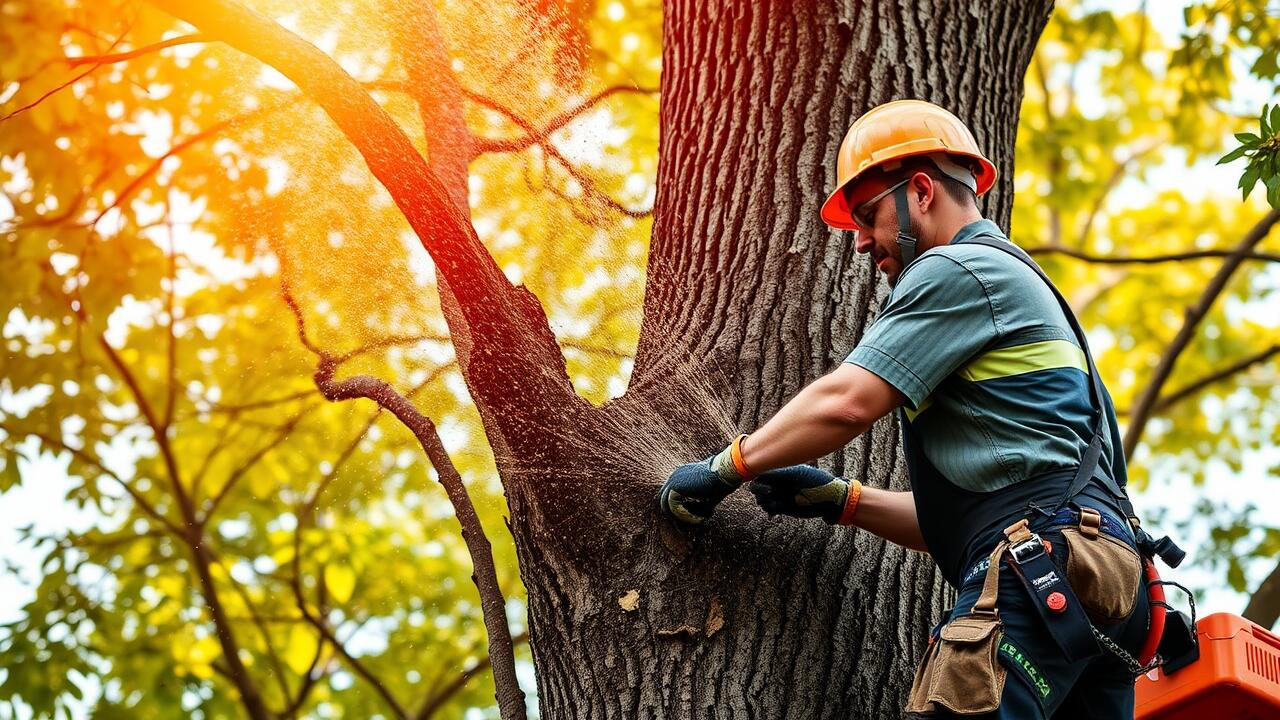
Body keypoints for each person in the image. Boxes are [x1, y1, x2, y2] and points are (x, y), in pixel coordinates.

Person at [658, 99, 1165, 719]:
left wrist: (724, 469)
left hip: (1043, 566)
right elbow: (982, 516)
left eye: (868, 215)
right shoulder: (1031, 297)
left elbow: (847, 403)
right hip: (1108, 590)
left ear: (921, 190)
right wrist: (844, 501)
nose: (863, 242)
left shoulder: (958, 268)